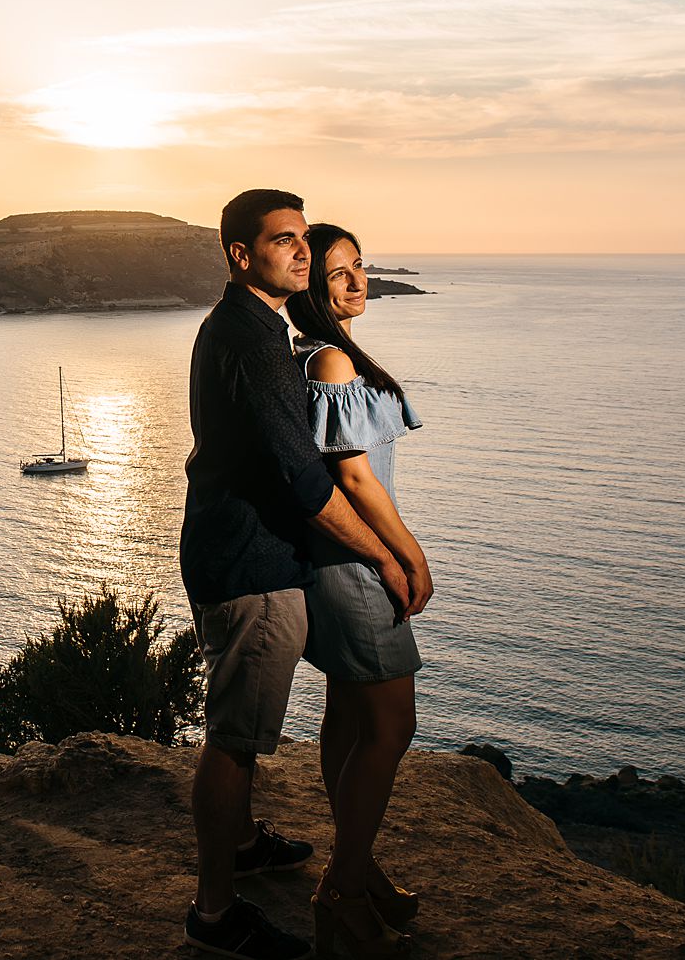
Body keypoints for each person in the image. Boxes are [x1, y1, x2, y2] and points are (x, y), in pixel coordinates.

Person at [182, 190, 411, 960]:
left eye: (303, 238)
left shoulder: (249, 329)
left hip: (238, 550)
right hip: (253, 562)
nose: (302, 252)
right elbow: (307, 479)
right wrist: (386, 553)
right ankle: (216, 912)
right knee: (234, 740)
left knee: (264, 726)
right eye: (284, 240)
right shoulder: (253, 340)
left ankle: (243, 843)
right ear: (242, 255)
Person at [286, 222, 432, 958]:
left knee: (346, 719)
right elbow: (353, 476)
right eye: (336, 273)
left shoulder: (305, 354)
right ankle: (341, 888)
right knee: (391, 725)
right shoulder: (333, 361)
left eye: (359, 266)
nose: (355, 281)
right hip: (354, 569)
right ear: (309, 287)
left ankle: (357, 863)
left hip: (325, 565)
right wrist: (409, 555)